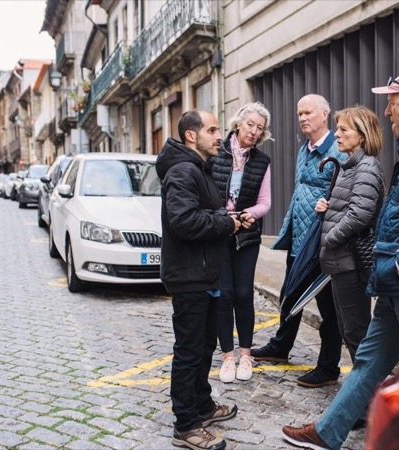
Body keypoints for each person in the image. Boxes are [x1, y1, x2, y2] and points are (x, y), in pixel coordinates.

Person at [282, 71, 399, 449]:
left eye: (392, 102)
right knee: (367, 361)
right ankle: (328, 431)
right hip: (397, 282)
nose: (386, 111)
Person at [156, 110, 242, 450]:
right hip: (189, 275)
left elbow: (201, 213)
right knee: (189, 351)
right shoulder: (182, 171)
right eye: (212, 129)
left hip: (204, 272)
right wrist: (226, 223)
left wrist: (228, 218)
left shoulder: (198, 168)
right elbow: (184, 222)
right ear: (192, 136)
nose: (219, 135)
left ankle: (203, 406)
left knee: (205, 345)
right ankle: (186, 426)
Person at [251, 94, 347, 388]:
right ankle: (281, 346)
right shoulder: (304, 150)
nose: (303, 117)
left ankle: (328, 367)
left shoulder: (338, 150)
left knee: (328, 306)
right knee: (290, 294)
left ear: (325, 115)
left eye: (308, 112)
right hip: (299, 237)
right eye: (299, 113)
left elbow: (343, 197)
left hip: (322, 240)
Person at [313, 106, 385, 363]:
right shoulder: (350, 166)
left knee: (356, 332)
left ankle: (368, 395)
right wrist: (328, 206)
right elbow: (350, 207)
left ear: (362, 136)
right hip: (341, 261)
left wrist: (330, 237)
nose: (337, 134)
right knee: (349, 330)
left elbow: (359, 215)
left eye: (344, 129)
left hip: (350, 262)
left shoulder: (365, 167)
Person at [211, 102, 272, 383]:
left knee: (244, 294)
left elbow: (265, 203)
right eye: (251, 125)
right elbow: (209, 197)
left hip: (247, 235)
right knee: (224, 295)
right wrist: (224, 216)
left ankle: (245, 355)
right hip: (220, 233)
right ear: (238, 123)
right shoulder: (216, 155)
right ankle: (227, 358)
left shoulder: (262, 161)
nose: (254, 131)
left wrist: (248, 214)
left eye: (259, 128)